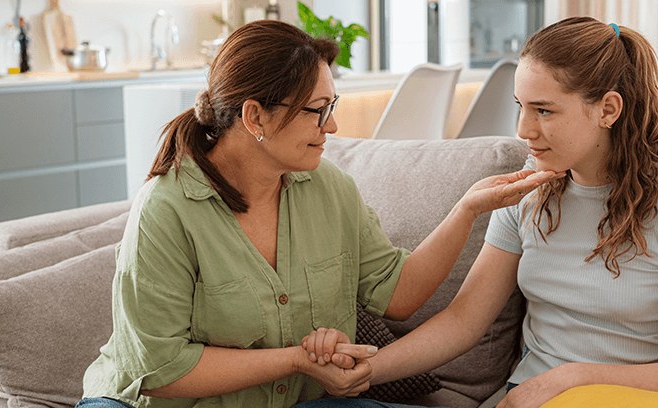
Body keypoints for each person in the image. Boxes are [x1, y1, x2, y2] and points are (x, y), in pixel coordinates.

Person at [75, 20, 561, 408]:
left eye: (333, 105)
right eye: (317, 109)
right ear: (254, 117)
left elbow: (398, 295)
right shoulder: (167, 210)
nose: (332, 125)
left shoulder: (327, 187)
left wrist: (467, 208)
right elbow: (160, 369)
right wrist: (297, 360)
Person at [300, 17, 658, 408]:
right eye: (520, 107)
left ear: (608, 109)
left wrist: (570, 377)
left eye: (544, 110)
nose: (523, 130)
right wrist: (368, 368)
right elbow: (462, 322)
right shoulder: (527, 194)